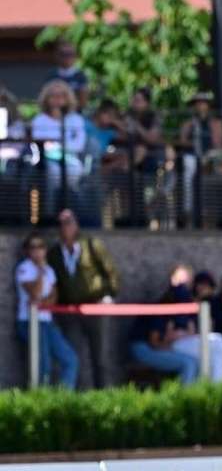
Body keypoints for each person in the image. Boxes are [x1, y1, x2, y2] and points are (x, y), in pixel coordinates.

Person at [46, 209, 119, 388]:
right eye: (61, 224)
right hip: (70, 311)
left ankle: (104, 396)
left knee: (100, 357)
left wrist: (109, 295)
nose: (65, 227)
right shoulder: (54, 253)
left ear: (76, 224)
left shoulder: (92, 245)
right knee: (73, 357)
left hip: (94, 307)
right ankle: (77, 400)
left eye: (69, 222)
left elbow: (111, 272)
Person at [14, 232, 79, 388]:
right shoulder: (24, 269)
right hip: (30, 321)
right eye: (33, 247)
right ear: (27, 251)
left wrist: (41, 300)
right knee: (43, 365)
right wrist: (40, 273)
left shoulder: (50, 270)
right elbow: (35, 293)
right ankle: (42, 401)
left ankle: (62, 399)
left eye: (41, 246)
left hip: (47, 321)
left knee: (70, 359)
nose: (37, 250)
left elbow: (53, 297)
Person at [164, 263, 222, 383]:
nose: (204, 289)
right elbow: (168, 333)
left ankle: (215, 394)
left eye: (208, 286)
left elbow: (199, 329)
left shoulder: (203, 304)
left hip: (192, 342)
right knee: (218, 339)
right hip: (176, 345)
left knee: (218, 358)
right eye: (201, 285)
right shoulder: (174, 299)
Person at [32, 80, 87, 214]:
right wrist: (60, 145)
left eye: (61, 95)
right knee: (53, 173)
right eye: (53, 95)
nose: (57, 99)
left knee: (74, 172)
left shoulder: (76, 120)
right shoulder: (39, 120)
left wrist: (57, 145)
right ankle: (50, 214)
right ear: (46, 98)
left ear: (68, 98)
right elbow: (40, 143)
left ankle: (72, 214)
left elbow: (79, 145)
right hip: (46, 161)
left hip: (72, 161)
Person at [178, 92, 222, 225]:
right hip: (193, 157)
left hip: (211, 156)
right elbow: (182, 141)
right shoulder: (188, 124)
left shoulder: (216, 123)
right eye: (197, 103)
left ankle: (215, 215)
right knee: (189, 168)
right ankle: (189, 210)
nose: (200, 106)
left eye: (203, 103)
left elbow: (219, 143)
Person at [123, 87, 163, 173]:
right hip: (128, 149)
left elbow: (152, 139)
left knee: (141, 150)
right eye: (133, 100)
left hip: (150, 153)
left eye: (138, 101)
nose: (134, 103)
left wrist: (137, 126)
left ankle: (125, 171)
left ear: (146, 103)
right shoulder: (127, 114)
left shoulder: (154, 117)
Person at [45, 42, 89, 112]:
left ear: (76, 56)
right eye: (63, 54)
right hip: (54, 115)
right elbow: (46, 99)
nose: (67, 57)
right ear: (57, 56)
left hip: (75, 114)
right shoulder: (52, 75)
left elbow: (83, 101)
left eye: (70, 54)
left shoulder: (80, 76)